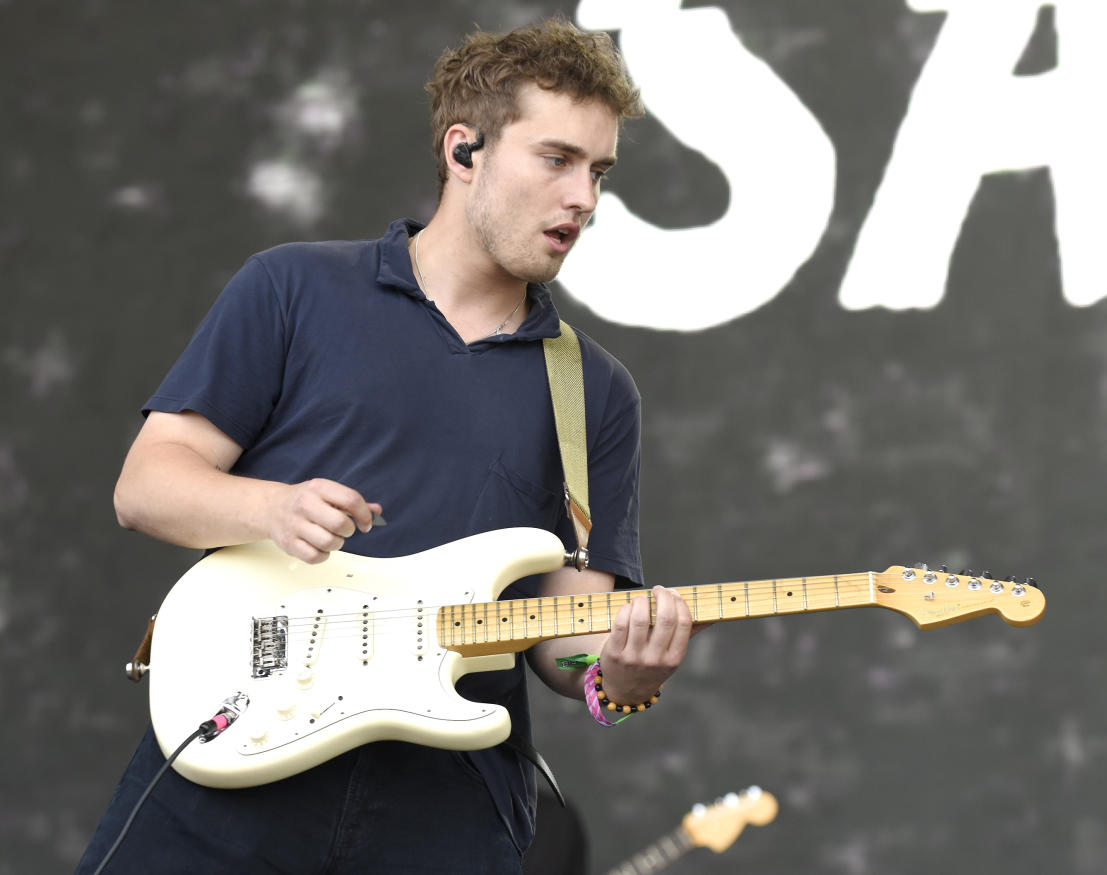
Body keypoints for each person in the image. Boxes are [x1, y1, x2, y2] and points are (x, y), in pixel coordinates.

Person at [76, 17, 694, 874]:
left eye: (599, 171)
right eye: (557, 160)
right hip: (232, 761)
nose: (584, 198)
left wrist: (623, 682)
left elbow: (566, 644)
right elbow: (144, 488)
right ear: (463, 150)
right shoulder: (292, 287)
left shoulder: (596, 390)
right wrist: (271, 505)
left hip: (444, 812)